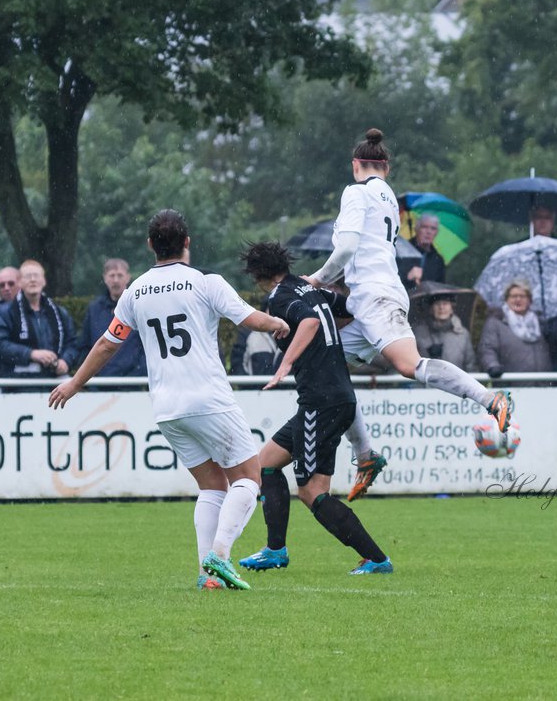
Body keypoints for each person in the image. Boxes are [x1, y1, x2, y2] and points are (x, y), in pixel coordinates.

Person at [49, 210, 290, 591]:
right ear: (187, 242)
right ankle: (220, 556)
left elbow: (106, 344)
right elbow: (248, 319)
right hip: (208, 398)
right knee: (248, 477)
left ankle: (206, 576)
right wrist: (278, 323)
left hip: (166, 408)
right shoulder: (205, 283)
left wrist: (74, 384)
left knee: (212, 486)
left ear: (150, 245)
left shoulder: (135, 291)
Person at [305, 128, 515, 464]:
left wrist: (315, 279)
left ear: (355, 165)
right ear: (386, 167)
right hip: (373, 298)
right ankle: (365, 454)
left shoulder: (356, 193)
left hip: (377, 298)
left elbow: (347, 248)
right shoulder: (387, 195)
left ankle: (490, 400)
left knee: (409, 365)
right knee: (326, 366)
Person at [235, 241, 393, 575]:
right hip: (335, 397)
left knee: (311, 492)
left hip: (321, 402)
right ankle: (275, 550)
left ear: (256, 274)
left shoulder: (278, 297)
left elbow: (309, 323)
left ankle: (376, 558)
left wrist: (286, 364)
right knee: (266, 465)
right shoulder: (307, 287)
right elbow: (350, 307)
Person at [0, 259, 78, 378]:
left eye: (36, 275)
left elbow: (73, 343)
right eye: (28, 276)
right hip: (17, 383)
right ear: (20, 283)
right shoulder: (5, 312)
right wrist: (31, 354)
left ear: (44, 281)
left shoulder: (59, 313)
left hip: (54, 381)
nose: (32, 280)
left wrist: (66, 361)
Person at [71, 259, 147, 377]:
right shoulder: (94, 309)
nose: (116, 280)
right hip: (99, 384)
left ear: (128, 277)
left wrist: (137, 373)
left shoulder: (138, 306)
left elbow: (146, 346)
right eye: (112, 275)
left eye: (120, 275)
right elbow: (85, 345)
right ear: (105, 278)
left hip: (132, 383)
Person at [479, 279, 553, 378]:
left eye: (522, 296)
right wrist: (493, 366)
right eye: (513, 296)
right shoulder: (496, 322)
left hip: (544, 384)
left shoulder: (540, 323)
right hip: (511, 383)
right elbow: (487, 349)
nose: (518, 299)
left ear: (529, 300)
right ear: (506, 300)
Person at [412, 294, 479, 373]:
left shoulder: (462, 334)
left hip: (455, 382)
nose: (441, 308)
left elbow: (470, 364)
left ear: (452, 308)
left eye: (445, 303)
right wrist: (428, 357)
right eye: (437, 304)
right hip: (426, 383)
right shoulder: (419, 332)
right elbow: (412, 363)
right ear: (431, 309)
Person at [397, 213, 447, 289]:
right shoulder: (401, 251)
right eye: (424, 227)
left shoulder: (438, 260)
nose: (428, 232)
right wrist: (407, 277)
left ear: (436, 232)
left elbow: (440, 288)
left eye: (433, 228)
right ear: (416, 229)